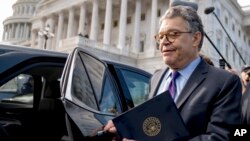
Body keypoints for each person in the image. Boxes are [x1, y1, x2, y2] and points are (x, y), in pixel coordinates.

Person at [104, 4, 242, 141]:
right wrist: (123, 130)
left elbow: (221, 137)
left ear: (196, 38)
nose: (164, 42)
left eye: (173, 34)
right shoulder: (156, 78)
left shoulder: (224, 82)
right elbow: (153, 127)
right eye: (161, 36)